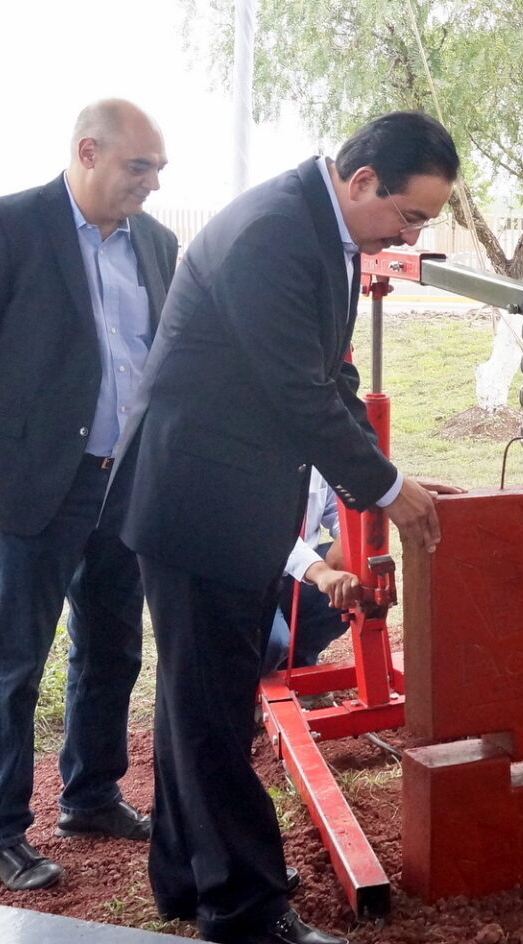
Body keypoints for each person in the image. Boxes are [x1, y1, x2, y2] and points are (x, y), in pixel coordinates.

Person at [115, 112, 461, 944]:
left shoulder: (319, 227)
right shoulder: (274, 233)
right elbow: (294, 392)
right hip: (198, 502)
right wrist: (384, 489)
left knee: (199, 702)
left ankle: (190, 875)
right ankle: (243, 909)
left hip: (226, 499)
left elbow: (329, 371)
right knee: (212, 712)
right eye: (409, 218)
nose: (408, 234)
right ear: (362, 180)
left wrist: (393, 474)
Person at [0, 99, 175, 892]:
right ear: (88, 151)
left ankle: (91, 794)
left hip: (121, 483)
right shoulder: (4, 226)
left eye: (160, 171)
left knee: (113, 650)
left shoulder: (159, 245)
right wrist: (11, 444)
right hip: (30, 488)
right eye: (140, 168)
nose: (152, 185)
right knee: (15, 660)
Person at [261, 470, 358, 676]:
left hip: (299, 574)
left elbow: (336, 506)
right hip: (254, 577)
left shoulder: (314, 454)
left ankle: (298, 667)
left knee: (352, 583)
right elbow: (268, 532)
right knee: (273, 645)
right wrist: (319, 571)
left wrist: (345, 537)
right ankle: (250, 687)